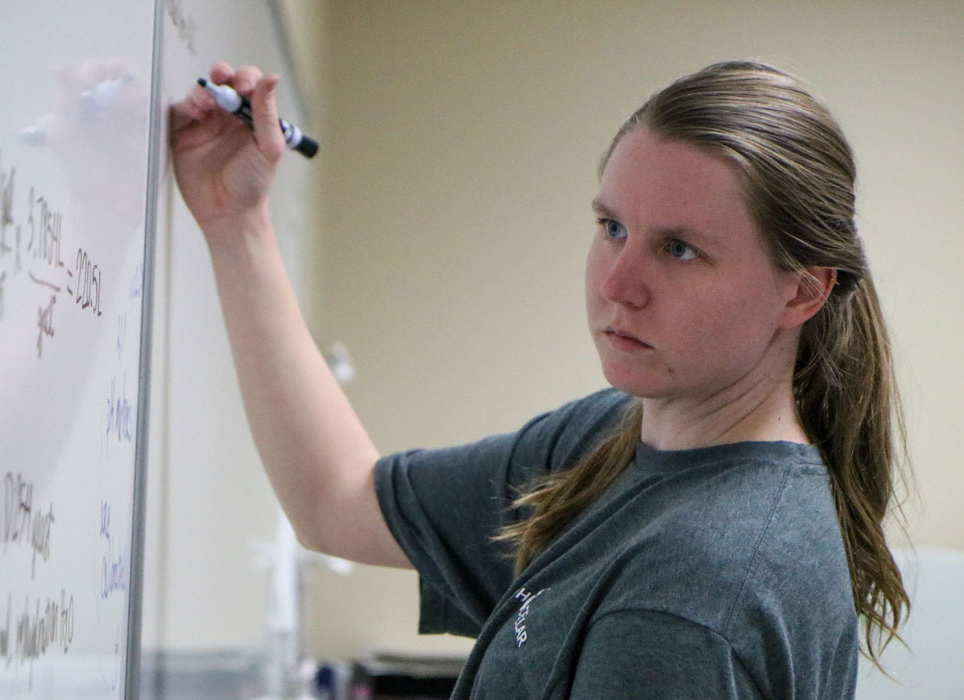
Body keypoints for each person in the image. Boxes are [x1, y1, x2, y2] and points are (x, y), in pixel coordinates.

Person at [170, 59, 910, 699]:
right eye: (612, 228)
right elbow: (339, 504)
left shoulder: (689, 600)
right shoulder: (613, 437)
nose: (619, 283)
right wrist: (237, 225)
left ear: (803, 291)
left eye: (679, 250)